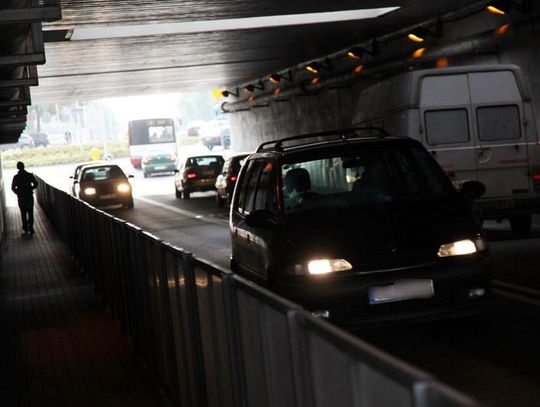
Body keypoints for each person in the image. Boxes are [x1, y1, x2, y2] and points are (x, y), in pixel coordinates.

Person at [11, 161, 38, 235]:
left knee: (23, 213)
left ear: (17, 168)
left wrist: (18, 193)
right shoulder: (29, 175)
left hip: (21, 197)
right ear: (24, 166)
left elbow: (13, 188)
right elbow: (36, 184)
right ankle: (31, 228)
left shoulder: (16, 177)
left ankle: (25, 228)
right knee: (30, 212)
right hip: (29, 196)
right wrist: (31, 189)